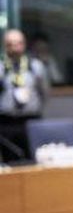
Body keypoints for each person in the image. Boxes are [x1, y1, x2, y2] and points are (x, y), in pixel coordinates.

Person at [0, 30, 50, 162]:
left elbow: (44, 92)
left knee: (34, 158)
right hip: (7, 121)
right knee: (10, 159)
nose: (15, 48)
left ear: (24, 44)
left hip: (31, 119)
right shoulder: (1, 67)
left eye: (19, 43)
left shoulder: (35, 66)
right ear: (5, 46)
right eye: (11, 44)